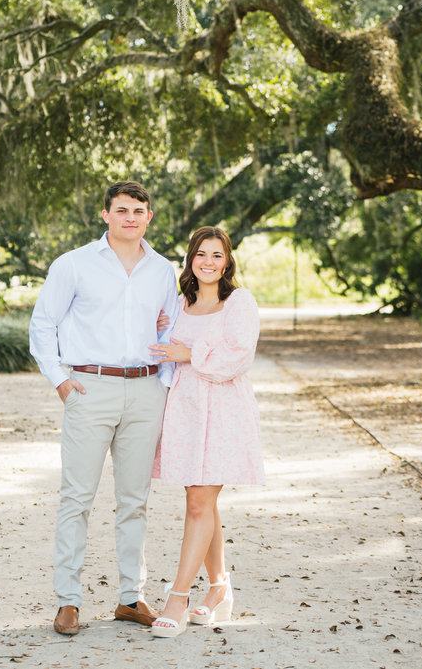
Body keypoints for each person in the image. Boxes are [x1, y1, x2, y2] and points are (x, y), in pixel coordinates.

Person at [29, 180, 179, 636]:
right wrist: (60, 381)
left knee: (135, 501)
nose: (130, 217)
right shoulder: (73, 265)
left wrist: (166, 386)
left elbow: (171, 329)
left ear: (149, 216)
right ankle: (68, 601)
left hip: (145, 390)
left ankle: (131, 598)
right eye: (121, 210)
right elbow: (43, 323)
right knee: (77, 498)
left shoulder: (162, 270)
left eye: (138, 210)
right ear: (106, 215)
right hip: (90, 389)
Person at [148, 226, 264, 638]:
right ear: (191, 261)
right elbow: (161, 347)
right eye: (201, 254)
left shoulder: (239, 302)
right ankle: (219, 589)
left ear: (227, 261)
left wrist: (188, 353)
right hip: (185, 411)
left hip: (224, 412)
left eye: (217, 255)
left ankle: (177, 597)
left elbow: (237, 358)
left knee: (199, 503)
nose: (209, 262)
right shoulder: (181, 304)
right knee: (201, 502)